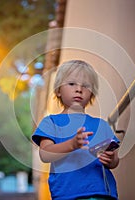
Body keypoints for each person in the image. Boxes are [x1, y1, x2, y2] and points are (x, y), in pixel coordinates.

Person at [32, 60, 120, 200]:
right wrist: (72, 145)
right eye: (72, 84)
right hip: (67, 195)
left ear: (92, 93)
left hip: (102, 193)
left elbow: (114, 161)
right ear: (58, 91)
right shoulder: (51, 122)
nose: (79, 89)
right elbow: (45, 154)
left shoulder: (101, 125)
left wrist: (111, 159)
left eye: (85, 86)